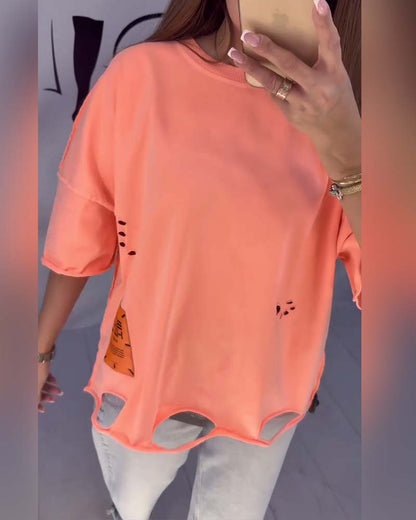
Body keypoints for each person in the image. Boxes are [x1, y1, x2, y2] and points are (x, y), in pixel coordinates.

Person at [38, 0, 361, 519]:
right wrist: (38, 351)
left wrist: (348, 152)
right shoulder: (139, 80)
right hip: (149, 372)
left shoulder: (351, 123)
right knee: (132, 500)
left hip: (269, 386)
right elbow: (82, 221)